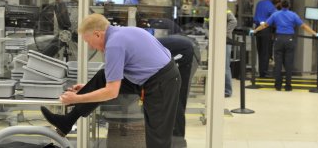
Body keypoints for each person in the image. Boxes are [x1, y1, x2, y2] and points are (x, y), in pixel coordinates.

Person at [40, 13, 181, 148]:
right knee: (103, 76)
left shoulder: (114, 44)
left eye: (89, 42)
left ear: (97, 34)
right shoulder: (121, 33)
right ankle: (67, 122)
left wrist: (77, 98)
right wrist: (88, 87)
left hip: (163, 81)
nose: (91, 47)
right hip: (149, 77)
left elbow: (111, 92)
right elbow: (112, 80)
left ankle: (67, 120)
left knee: (158, 137)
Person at [250, 0, 318, 91]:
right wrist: (315, 33)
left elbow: (265, 25)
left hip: (278, 39)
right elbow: (304, 26)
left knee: (278, 63)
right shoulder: (293, 15)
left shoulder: (275, 14)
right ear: (289, 5)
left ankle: (278, 86)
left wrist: (255, 30)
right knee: (288, 63)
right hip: (289, 39)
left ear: (280, 5)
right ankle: (288, 86)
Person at [158, 34, 199, 148]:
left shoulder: (142, 50)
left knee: (178, 99)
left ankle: (178, 140)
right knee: (174, 98)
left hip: (189, 53)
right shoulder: (142, 46)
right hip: (184, 50)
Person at [253, 0, 280, 77]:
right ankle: (264, 72)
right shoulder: (271, 7)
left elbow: (256, 16)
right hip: (265, 29)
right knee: (265, 51)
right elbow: (276, 17)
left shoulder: (260, 3)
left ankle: (261, 71)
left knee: (260, 50)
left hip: (257, 28)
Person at [225, 10, 237, 97]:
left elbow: (233, 21)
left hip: (225, 42)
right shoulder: (209, 10)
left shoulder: (224, 9)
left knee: (225, 66)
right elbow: (206, 24)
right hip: (213, 41)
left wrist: (225, 33)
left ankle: (227, 91)